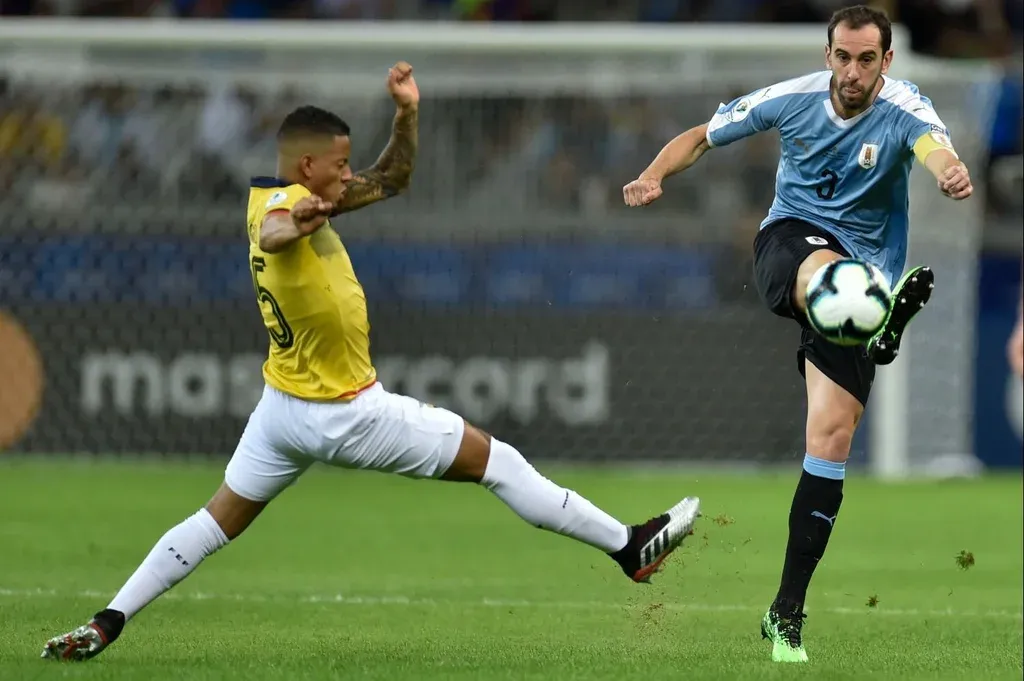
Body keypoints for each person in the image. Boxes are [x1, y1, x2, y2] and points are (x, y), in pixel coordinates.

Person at [42, 62, 701, 663]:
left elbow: (394, 178)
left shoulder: (307, 195)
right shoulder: (279, 209)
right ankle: (629, 547)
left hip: (280, 410)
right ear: (306, 165)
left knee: (214, 522)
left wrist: (406, 115)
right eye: (339, 163)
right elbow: (276, 230)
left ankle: (107, 621)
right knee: (495, 461)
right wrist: (301, 219)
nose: (349, 172)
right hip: (345, 412)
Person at [623, 5, 972, 663]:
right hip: (791, 245)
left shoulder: (903, 107)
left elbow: (934, 147)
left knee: (830, 441)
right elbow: (702, 136)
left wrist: (947, 170)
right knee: (828, 272)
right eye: (843, 57)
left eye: (866, 59)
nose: (853, 71)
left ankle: (785, 613)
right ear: (827, 54)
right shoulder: (792, 98)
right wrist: (653, 174)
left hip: (864, 280)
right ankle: (874, 316)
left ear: (886, 61)